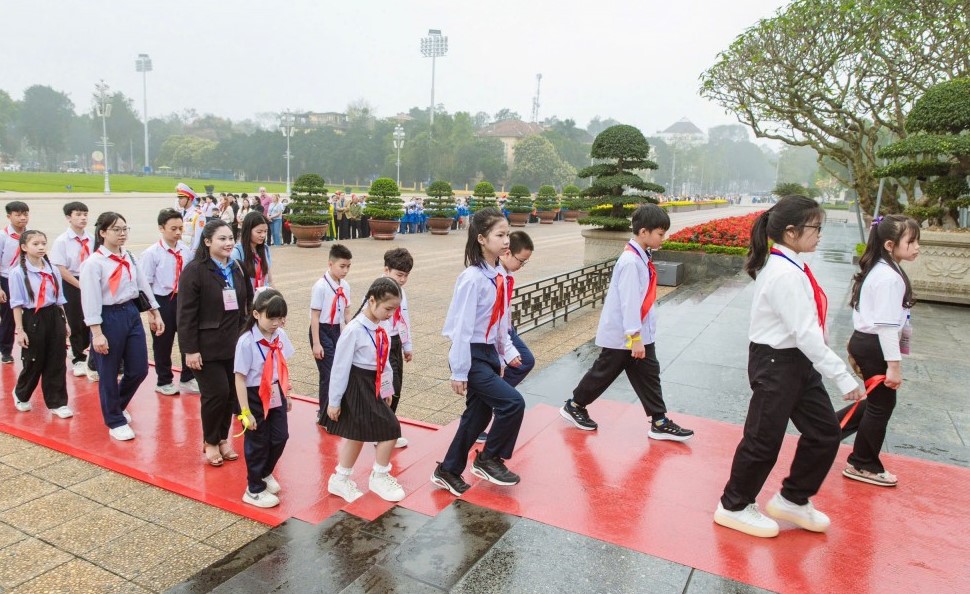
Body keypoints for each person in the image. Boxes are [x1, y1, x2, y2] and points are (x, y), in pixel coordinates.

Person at [714, 195, 864, 538]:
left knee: (825, 432)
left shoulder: (792, 266)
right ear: (792, 232)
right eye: (816, 228)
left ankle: (793, 499)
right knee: (763, 439)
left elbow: (808, 332)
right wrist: (842, 376)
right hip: (776, 363)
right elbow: (805, 333)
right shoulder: (784, 273)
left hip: (797, 361)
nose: (820, 234)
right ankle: (733, 505)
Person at [562, 204, 693, 441]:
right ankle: (574, 405)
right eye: (660, 233)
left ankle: (659, 421)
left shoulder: (640, 257)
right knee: (603, 373)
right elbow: (629, 303)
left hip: (637, 334)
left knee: (649, 374)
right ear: (644, 232)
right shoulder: (631, 262)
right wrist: (635, 337)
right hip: (627, 336)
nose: (663, 238)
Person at [431, 208, 525, 497]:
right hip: (471, 356)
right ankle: (488, 459)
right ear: (482, 239)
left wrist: (504, 353)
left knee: (477, 417)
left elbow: (501, 322)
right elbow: (461, 328)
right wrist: (459, 371)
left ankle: (448, 470)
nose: (506, 240)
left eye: (508, 234)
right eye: (500, 235)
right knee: (513, 403)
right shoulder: (472, 278)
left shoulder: (499, 274)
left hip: (488, 353)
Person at [836, 214, 920, 487]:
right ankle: (862, 463)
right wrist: (894, 367)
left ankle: (828, 430)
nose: (917, 247)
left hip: (869, 342)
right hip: (874, 344)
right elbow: (885, 327)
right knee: (881, 404)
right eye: (911, 242)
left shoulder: (884, 269)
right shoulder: (888, 277)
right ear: (889, 245)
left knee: (878, 402)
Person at [80, 212, 165, 441]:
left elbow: (142, 285)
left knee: (139, 369)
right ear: (103, 232)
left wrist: (155, 312)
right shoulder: (94, 263)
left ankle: (115, 405)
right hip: (108, 316)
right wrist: (97, 333)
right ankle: (114, 420)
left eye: (125, 229)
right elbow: (90, 299)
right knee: (108, 371)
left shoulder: (129, 256)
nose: (122, 234)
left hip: (130, 312)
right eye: (116, 229)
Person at [324, 277, 406, 503]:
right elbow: (339, 367)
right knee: (390, 428)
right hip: (357, 385)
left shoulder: (381, 327)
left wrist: (387, 389)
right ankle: (378, 476)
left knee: (358, 434)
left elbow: (384, 362)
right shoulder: (354, 330)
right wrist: (334, 401)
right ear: (372, 301)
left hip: (373, 383)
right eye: (388, 308)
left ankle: (340, 479)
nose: (391, 314)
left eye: (394, 309)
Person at [179, 220, 252, 466]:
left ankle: (222, 439)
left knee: (230, 394)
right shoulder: (195, 270)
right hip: (206, 346)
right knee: (216, 393)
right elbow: (185, 314)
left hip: (234, 343)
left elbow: (247, 303)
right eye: (222, 239)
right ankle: (210, 441)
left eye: (231, 238)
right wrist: (190, 350)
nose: (228, 243)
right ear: (208, 241)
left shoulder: (237, 267)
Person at [234, 289, 293, 508]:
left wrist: (287, 392)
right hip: (254, 394)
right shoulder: (247, 342)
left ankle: (265, 473)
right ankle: (254, 489)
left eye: (280, 318)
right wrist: (245, 412)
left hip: (276, 390)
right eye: (271, 318)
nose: (276, 323)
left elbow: (282, 365)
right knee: (257, 442)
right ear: (256, 314)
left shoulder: (280, 335)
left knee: (280, 436)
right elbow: (239, 379)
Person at [478, 231, 536, 443]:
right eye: (521, 260)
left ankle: (493, 399)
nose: (522, 265)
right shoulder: (491, 276)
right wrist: (506, 347)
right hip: (491, 332)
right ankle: (491, 402)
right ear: (507, 253)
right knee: (522, 361)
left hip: (505, 328)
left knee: (524, 362)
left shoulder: (506, 274)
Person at [9, 230, 73, 418]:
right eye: (35, 244)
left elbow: (59, 299)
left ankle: (57, 402)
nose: (41, 247)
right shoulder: (18, 273)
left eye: (43, 243)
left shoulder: (52, 269)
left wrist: (65, 322)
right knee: (34, 360)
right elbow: (16, 304)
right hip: (33, 317)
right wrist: (20, 330)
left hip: (53, 315)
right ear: (24, 247)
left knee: (57, 359)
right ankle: (21, 393)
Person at [140, 209, 197, 396]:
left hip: (182, 300)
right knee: (162, 343)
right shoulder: (152, 253)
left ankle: (188, 377)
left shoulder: (185, 251)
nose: (178, 233)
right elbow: (145, 285)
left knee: (187, 338)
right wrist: (151, 313)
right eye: (173, 229)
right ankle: (163, 380)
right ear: (161, 228)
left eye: (181, 228)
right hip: (161, 301)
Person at [49, 201, 93, 377]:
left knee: (89, 319)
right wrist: (79, 285)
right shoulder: (62, 241)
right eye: (78, 214)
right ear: (69, 217)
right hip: (71, 281)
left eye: (85, 214)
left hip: (89, 280)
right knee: (75, 320)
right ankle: (78, 358)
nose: (83, 218)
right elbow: (60, 268)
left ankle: (82, 348)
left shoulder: (92, 238)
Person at [310, 244, 352, 425]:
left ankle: (333, 408)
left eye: (348, 266)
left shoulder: (345, 286)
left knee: (339, 370)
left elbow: (347, 312)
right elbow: (315, 316)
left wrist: (351, 331)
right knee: (328, 374)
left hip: (336, 330)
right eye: (342, 266)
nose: (345, 270)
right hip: (321, 329)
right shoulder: (320, 286)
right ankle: (324, 415)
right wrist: (316, 343)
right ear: (330, 264)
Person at [379, 247, 414, 448]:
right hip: (381, 343)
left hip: (395, 341)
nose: (402, 279)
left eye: (406, 276)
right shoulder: (378, 290)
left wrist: (407, 345)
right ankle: (384, 432)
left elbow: (404, 318)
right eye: (399, 275)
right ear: (386, 270)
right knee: (389, 387)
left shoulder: (402, 292)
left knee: (396, 384)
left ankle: (387, 429)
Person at [0, 201, 30, 364]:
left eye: (25, 214)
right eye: (18, 215)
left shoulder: (30, 235)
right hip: (7, 279)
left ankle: (30, 346)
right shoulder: (3, 236)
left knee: (31, 313)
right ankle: (5, 350)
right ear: (9, 216)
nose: (22, 218)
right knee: (9, 316)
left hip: (26, 279)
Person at [232, 212, 272, 307]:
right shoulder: (237, 252)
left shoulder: (265, 249)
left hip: (263, 300)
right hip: (246, 302)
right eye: (259, 232)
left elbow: (269, 279)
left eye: (265, 231)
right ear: (248, 230)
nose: (263, 235)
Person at [176, 183, 206, 251]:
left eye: (181, 198)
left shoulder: (198, 215)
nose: (179, 200)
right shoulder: (179, 213)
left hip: (190, 250)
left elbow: (198, 235)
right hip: (179, 249)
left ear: (189, 199)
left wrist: (194, 251)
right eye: (178, 198)